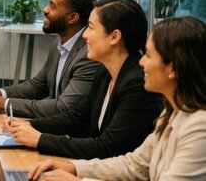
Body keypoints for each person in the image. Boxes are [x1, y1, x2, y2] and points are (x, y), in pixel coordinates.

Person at [29, 17, 206, 180]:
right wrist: (74, 168)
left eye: (149, 55)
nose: (142, 62)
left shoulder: (199, 126)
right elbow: (135, 165)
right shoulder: (172, 112)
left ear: (172, 69)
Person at [5, 0, 162, 159]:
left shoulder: (138, 83)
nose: (85, 35)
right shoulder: (104, 71)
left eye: (91, 28)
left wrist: (40, 139)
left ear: (114, 37)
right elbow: (77, 117)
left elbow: (107, 147)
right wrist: (28, 125)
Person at [0, 0, 98, 118]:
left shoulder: (88, 54)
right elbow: (38, 85)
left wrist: (4, 104)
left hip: (71, 134)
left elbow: (64, 107)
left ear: (72, 18)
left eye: (52, 6)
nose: (45, 10)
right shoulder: (59, 42)